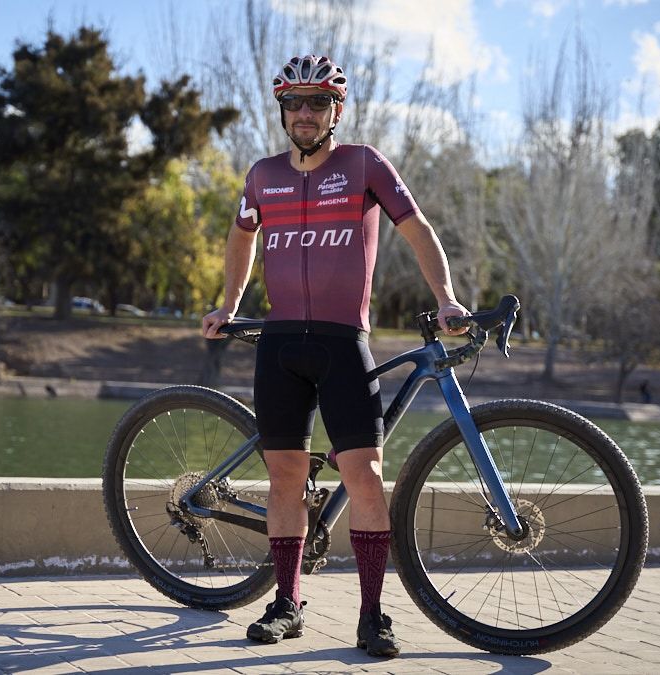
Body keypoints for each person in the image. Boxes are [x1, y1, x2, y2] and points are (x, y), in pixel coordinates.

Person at [201, 54, 470, 658]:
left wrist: (447, 298)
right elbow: (243, 235)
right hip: (280, 345)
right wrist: (228, 303)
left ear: (335, 111)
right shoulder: (262, 174)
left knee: (366, 476)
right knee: (284, 478)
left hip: (342, 341)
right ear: (282, 111)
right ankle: (287, 604)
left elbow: (417, 226)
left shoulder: (363, 164)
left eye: (316, 102)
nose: (303, 113)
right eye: (294, 103)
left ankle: (372, 615)